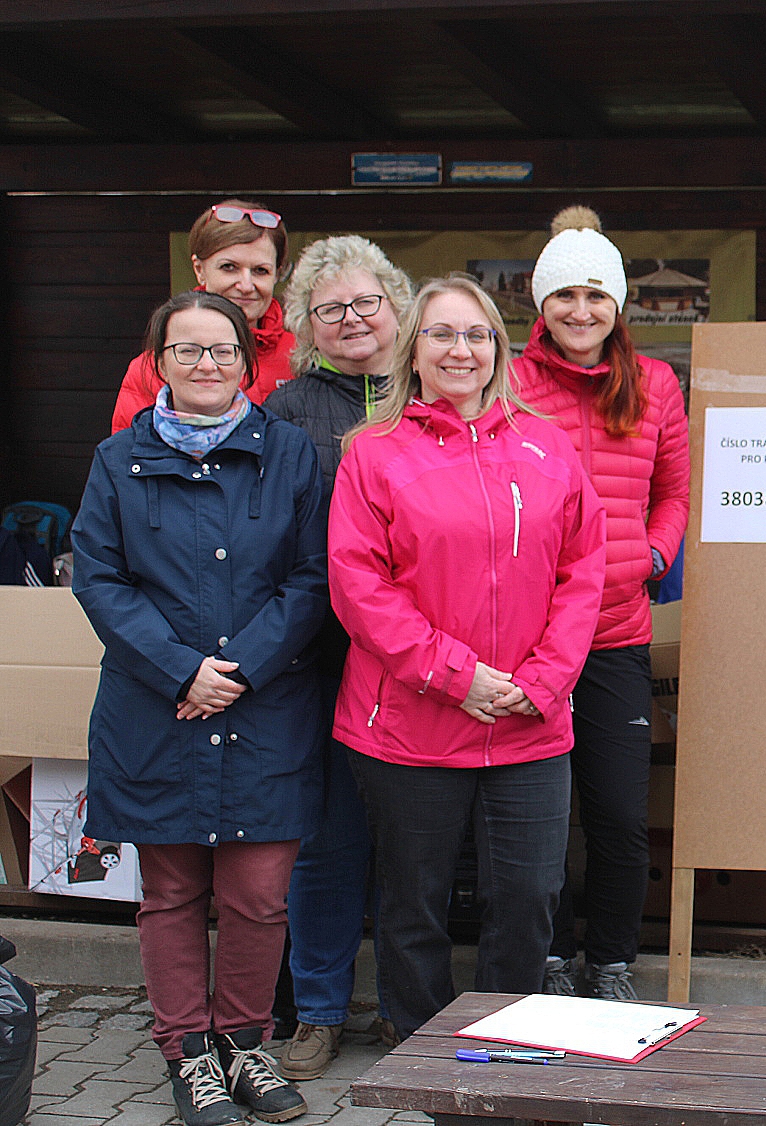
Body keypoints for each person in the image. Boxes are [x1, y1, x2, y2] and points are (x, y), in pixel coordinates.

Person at [72, 290, 328, 1126]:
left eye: (222, 350)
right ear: (160, 364)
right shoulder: (118, 460)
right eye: (187, 350)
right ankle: (188, 1055)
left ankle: (246, 1046)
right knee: (172, 893)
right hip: (157, 709)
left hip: (265, 708)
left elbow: (313, 576)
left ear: (247, 363)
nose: (206, 364)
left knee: (258, 896)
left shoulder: (290, 453)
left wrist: (239, 670)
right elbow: (100, 579)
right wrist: (182, 671)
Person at [329, 276, 606, 1040]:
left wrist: (543, 680)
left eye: (477, 335)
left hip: (526, 720)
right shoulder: (373, 453)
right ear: (412, 350)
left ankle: (504, 1041)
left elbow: (583, 570)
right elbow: (359, 584)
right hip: (410, 723)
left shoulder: (547, 446)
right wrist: (455, 677)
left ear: (497, 350)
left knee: (528, 896)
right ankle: (419, 1046)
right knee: (413, 901)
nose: (461, 350)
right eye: (442, 334)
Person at [511, 206, 689, 1001]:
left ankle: (612, 960)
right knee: (540, 816)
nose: (580, 311)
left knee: (617, 814)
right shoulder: (509, 382)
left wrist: (651, 554)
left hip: (617, 632)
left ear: (618, 304)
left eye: (595, 296)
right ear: (540, 305)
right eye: (564, 296)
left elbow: (675, 491)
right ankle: (547, 958)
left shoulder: (654, 384)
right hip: (529, 636)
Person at [263, 236, 415, 1078]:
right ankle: (317, 1011)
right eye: (330, 309)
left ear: (396, 306)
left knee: (410, 846)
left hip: (416, 663)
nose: (352, 319)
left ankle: (403, 1006)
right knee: (325, 843)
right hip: (317, 661)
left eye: (366, 303)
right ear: (306, 325)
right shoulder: (286, 411)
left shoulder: (430, 394)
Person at [112, 201, 294, 432]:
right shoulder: (153, 367)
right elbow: (133, 450)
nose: (246, 285)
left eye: (261, 270)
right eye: (229, 267)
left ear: (277, 274)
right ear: (199, 269)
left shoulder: (301, 356)